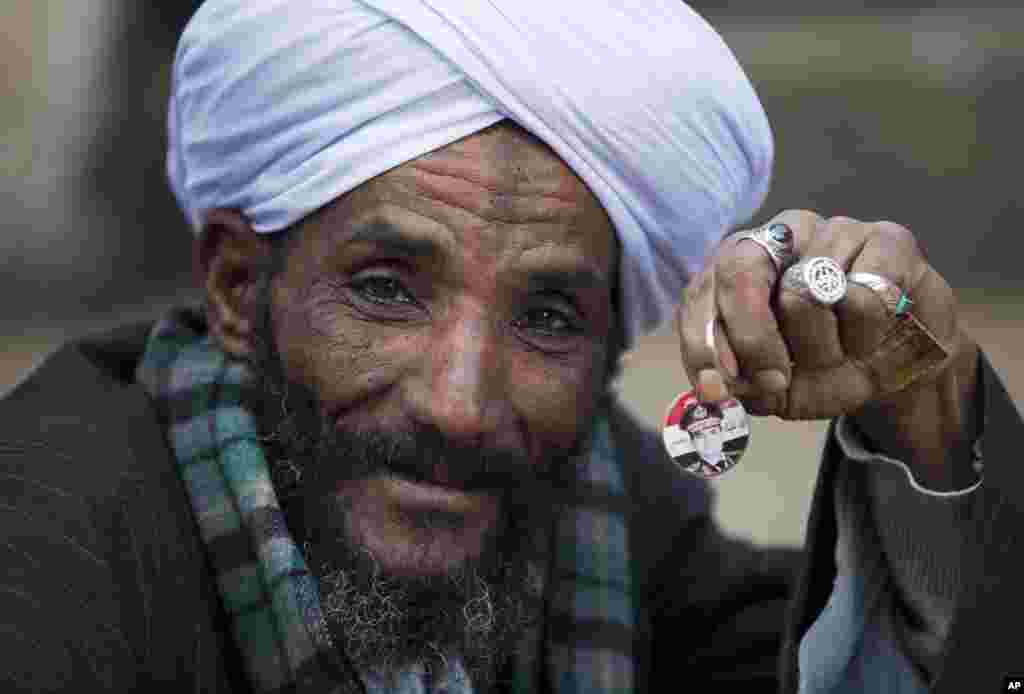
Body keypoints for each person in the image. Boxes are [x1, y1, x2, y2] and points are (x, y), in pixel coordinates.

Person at [1, 2, 1018, 693]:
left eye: (548, 317)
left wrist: (924, 412)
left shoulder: (604, 513)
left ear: (608, 344)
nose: (460, 404)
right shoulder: (51, 559)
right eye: (385, 290)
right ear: (235, 287)